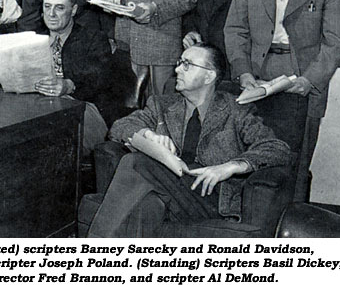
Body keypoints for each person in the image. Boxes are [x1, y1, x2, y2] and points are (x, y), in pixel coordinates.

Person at [87, 44, 293, 237]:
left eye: (187, 65)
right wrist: (149, 135)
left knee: (135, 163)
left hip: (210, 195)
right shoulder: (162, 105)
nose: (177, 70)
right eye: (179, 63)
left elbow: (276, 148)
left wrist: (230, 167)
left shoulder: (235, 110)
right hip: (171, 190)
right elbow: (119, 128)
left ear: (208, 76)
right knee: (148, 204)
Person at [224, 0, 340, 199]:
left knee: (296, 162)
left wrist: (308, 80)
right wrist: (243, 72)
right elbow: (235, 31)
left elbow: (333, 43)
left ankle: (290, 228)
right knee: (250, 157)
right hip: (254, 81)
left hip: (303, 84)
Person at [34, 0, 112, 154]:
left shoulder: (93, 39)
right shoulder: (33, 39)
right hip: (37, 108)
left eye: (59, 8)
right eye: (47, 7)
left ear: (74, 10)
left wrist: (70, 85)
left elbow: (100, 78)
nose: (51, 14)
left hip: (83, 109)